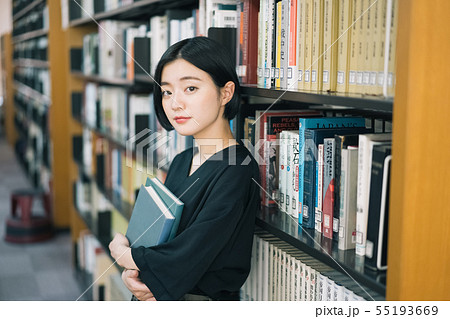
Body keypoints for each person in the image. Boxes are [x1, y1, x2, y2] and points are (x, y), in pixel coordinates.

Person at [109, 36, 260, 301]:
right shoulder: (181, 160)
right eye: (167, 91)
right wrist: (134, 271)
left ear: (226, 92)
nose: (175, 103)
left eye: (190, 88)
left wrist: (126, 255)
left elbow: (191, 251)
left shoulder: (238, 168)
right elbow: (160, 239)